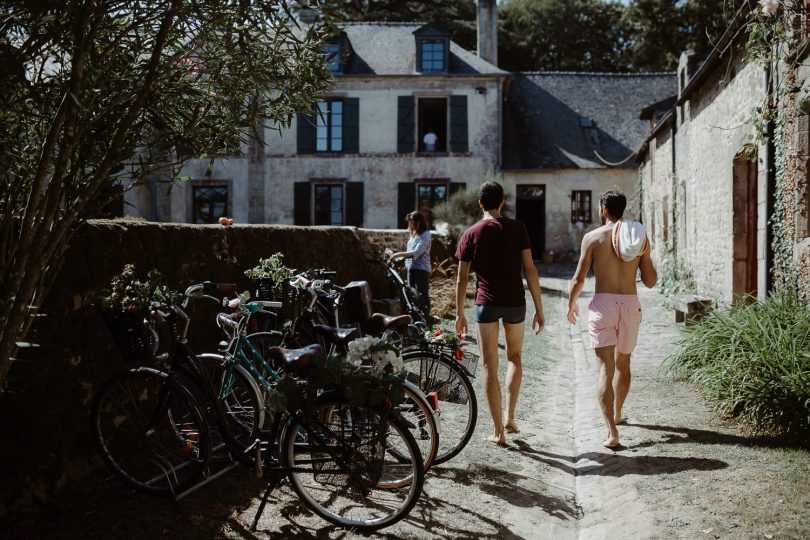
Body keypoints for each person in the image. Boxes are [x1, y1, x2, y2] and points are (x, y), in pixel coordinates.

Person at [454, 181, 545, 445]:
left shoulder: (471, 233)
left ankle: (498, 432)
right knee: (514, 357)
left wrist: (460, 313)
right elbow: (530, 269)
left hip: (486, 304)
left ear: (480, 203)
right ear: (502, 202)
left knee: (488, 366)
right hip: (516, 302)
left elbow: (462, 278)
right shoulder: (518, 228)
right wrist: (539, 309)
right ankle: (510, 417)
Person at [567, 190, 657, 449]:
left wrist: (572, 303)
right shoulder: (638, 239)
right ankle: (617, 413)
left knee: (604, 367)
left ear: (604, 209)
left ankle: (612, 431)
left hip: (603, 304)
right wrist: (641, 258)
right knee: (623, 363)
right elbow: (650, 281)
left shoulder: (593, 238)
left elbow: (579, 278)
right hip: (629, 303)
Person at [386, 210, 432, 318]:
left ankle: (426, 318)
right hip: (411, 268)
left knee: (422, 294)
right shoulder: (414, 235)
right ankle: (417, 318)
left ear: (420, 222)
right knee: (411, 294)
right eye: (410, 222)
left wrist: (397, 255)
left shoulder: (425, 235)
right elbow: (409, 253)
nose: (411, 224)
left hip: (422, 269)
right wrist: (395, 255)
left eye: (413, 222)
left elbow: (416, 252)